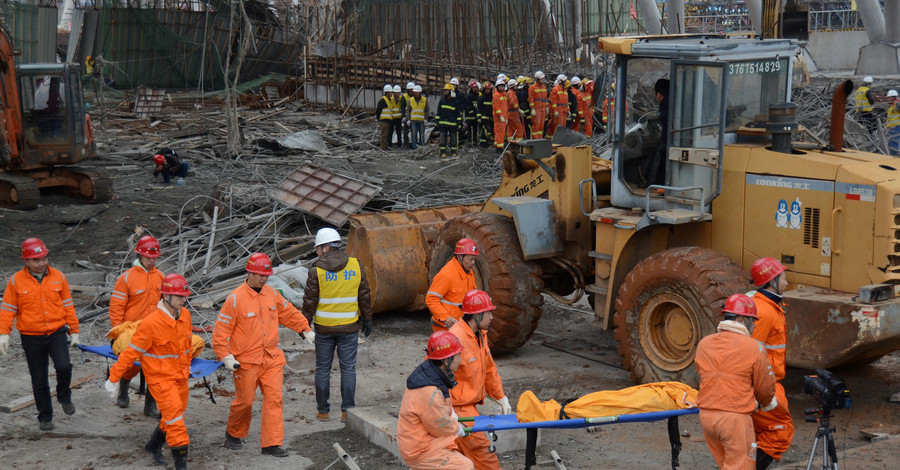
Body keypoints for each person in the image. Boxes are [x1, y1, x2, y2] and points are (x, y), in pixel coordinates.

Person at [212, 252, 314, 457]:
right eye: (259, 274)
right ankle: (234, 432)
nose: (264, 278)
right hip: (246, 361)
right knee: (246, 401)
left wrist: (305, 328)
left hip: (271, 358)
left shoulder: (272, 294)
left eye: (266, 274)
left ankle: (271, 443)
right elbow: (220, 332)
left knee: (274, 399)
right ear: (249, 272)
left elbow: (288, 313)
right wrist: (226, 356)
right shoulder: (235, 299)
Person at [104, 273, 193, 469]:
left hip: (180, 378)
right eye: (179, 296)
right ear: (165, 296)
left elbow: (186, 347)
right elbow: (130, 353)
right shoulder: (151, 324)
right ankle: (181, 465)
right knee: (177, 423)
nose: (183, 300)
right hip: (161, 381)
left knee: (174, 417)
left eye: (185, 296)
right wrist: (114, 379)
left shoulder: (185, 316)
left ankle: (153, 445)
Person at [0, 238, 79, 431]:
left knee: (64, 366)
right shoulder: (16, 281)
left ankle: (64, 395)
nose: (42, 262)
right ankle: (45, 416)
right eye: (36, 260)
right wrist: (4, 333)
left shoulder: (59, 277)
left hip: (56, 332)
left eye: (44, 258)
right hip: (31, 337)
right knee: (39, 378)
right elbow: (8, 309)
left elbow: (68, 305)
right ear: (26, 261)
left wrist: (75, 330)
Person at [695, 294, 777, 470]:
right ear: (741, 319)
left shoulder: (704, 343)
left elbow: (704, 376)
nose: (754, 325)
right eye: (752, 320)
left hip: (707, 416)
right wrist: (766, 403)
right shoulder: (754, 347)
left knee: (725, 464)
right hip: (734, 419)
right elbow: (765, 388)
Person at [302, 227, 374, 423]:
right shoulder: (355, 265)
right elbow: (364, 296)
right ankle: (347, 411)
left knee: (323, 369)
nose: (316, 252)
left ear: (325, 248)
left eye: (317, 248)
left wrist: (304, 325)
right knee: (348, 369)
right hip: (349, 328)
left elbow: (309, 302)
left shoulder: (316, 270)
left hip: (324, 329)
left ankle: (323, 411)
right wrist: (367, 319)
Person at [449, 290, 512, 470]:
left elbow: (489, 369)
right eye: (488, 312)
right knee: (485, 458)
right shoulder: (455, 338)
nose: (492, 317)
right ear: (476, 315)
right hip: (458, 411)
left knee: (462, 462)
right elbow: (435, 376)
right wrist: (446, 409)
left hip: (468, 408)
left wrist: (500, 397)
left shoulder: (480, 335)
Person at [397, 331, 474, 470]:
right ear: (446, 360)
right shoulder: (430, 390)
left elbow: (437, 413)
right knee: (465, 466)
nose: (461, 360)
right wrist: (456, 427)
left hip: (417, 443)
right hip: (420, 450)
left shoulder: (431, 376)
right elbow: (440, 425)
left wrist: (453, 420)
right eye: (458, 355)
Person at [108, 235, 165, 414]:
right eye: (148, 258)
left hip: (155, 331)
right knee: (131, 364)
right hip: (132, 331)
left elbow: (166, 305)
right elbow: (116, 307)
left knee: (156, 369)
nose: (152, 261)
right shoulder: (126, 278)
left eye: (154, 258)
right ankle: (124, 386)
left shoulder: (161, 277)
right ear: (139, 255)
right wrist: (118, 332)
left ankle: (150, 405)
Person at [749, 257, 794, 469]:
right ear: (772, 281)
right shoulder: (765, 311)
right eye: (784, 278)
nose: (787, 282)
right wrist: (756, 391)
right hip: (764, 384)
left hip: (767, 382)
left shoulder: (770, 307)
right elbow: (750, 353)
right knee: (779, 431)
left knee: (758, 433)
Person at [425, 238, 478, 332]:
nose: (473, 263)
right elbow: (431, 299)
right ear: (460, 257)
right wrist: (446, 318)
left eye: (474, 259)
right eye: (470, 259)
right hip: (445, 328)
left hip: (460, 326)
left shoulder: (469, 273)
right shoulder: (447, 274)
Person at [642, 78, 670, 187]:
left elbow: (666, 123)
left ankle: (656, 183)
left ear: (659, 94)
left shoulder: (666, 105)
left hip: (671, 143)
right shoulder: (675, 101)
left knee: (660, 151)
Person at [437, 84, 461, 158]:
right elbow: (438, 112)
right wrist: (436, 122)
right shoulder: (442, 100)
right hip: (443, 124)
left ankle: (453, 151)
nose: (445, 92)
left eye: (447, 90)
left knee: (453, 139)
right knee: (442, 139)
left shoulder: (456, 102)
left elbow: (458, 114)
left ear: (451, 91)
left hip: (453, 124)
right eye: (444, 90)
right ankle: (442, 152)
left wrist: (459, 124)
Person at [529, 71, 549, 139]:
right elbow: (531, 99)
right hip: (536, 109)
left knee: (541, 126)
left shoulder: (543, 87)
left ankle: (539, 139)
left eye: (543, 78)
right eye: (542, 79)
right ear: (537, 79)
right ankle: (535, 140)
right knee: (536, 126)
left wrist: (546, 107)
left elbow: (545, 98)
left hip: (543, 108)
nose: (543, 80)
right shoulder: (532, 87)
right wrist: (533, 109)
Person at [547, 74, 569, 138]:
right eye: (564, 81)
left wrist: (568, 110)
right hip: (559, 110)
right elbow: (553, 102)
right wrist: (555, 111)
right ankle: (555, 141)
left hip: (564, 110)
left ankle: (560, 140)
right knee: (558, 126)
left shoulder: (564, 90)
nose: (566, 82)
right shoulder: (555, 89)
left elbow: (566, 101)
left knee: (563, 126)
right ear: (560, 81)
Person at [376, 84, 395, 150]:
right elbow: (378, 111)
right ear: (387, 92)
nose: (392, 93)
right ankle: (383, 147)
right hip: (384, 121)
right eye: (391, 92)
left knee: (387, 135)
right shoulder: (383, 100)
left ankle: (385, 146)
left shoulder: (389, 100)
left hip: (388, 120)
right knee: (383, 135)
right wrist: (379, 120)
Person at [408, 85, 427, 150]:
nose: (416, 93)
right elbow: (408, 110)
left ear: (419, 92)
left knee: (422, 135)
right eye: (415, 92)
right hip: (413, 120)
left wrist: (426, 119)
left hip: (421, 121)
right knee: (414, 135)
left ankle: (421, 148)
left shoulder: (424, 100)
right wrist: (408, 119)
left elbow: (427, 109)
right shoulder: (411, 100)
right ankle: (415, 148)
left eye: (417, 92)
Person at [492, 80, 509, 152]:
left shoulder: (503, 95)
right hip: (499, 118)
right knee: (500, 133)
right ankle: (500, 147)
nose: (501, 88)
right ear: (497, 87)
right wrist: (501, 116)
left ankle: (498, 145)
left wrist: (506, 117)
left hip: (503, 117)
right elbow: (497, 107)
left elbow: (505, 107)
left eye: (502, 86)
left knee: (501, 132)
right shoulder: (496, 95)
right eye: (500, 86)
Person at [477, 82, 494, 148]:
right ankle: (482, 144)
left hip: (490, 117)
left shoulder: (492, 97)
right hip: (484, 117)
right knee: (485, 131)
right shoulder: (481, 98)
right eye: (486, 89)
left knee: (490, 131)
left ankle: (486, 143)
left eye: (489, 89)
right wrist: (478, 117)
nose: (488, 91)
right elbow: (479, 108)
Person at [887, 89, 900, 156]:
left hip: (896, 127)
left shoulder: (897, 104)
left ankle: (895, 157)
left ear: (893, 97)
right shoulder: (891, 105)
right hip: (891, 127)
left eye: (889, 97)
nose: (888, 99)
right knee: (891, 142)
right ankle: (893, 156)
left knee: (894, 142)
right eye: (888, 97)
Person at [403, 82, 416, 148]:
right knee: (406, 132)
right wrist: (403, 117)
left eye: (412, 90)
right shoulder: (404, 97)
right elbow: (402, 107)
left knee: (414, 132)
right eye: (410, 90)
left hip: (414, 117)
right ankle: (406, 144)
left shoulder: (416, 97)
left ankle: (414, 144)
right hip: (407, 117)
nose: (411, 91)